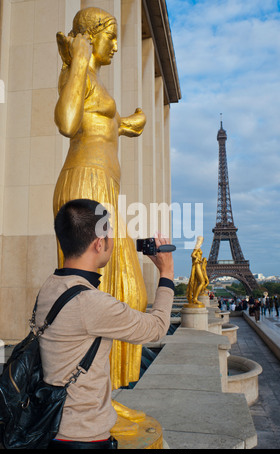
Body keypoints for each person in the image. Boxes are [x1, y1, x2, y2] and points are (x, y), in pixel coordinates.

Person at [53, 7, 149, 415]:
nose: (115, 43)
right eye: (109, 35)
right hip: (85, 186)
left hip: (102, 188)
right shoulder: (79, 72)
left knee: (120, 291)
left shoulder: (94, 80)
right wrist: (77, 60)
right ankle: (91, 401)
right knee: (105, 294)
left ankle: (103, 396)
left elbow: (97, 124)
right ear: (90, 37)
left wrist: (125, 123)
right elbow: (67, 119)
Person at [35, 199, 174, 449]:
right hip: (84, 435)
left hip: (51, 425)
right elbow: (157, 328)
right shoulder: (90, 303)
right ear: (99, 243)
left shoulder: (50, 286)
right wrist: (167, 275)